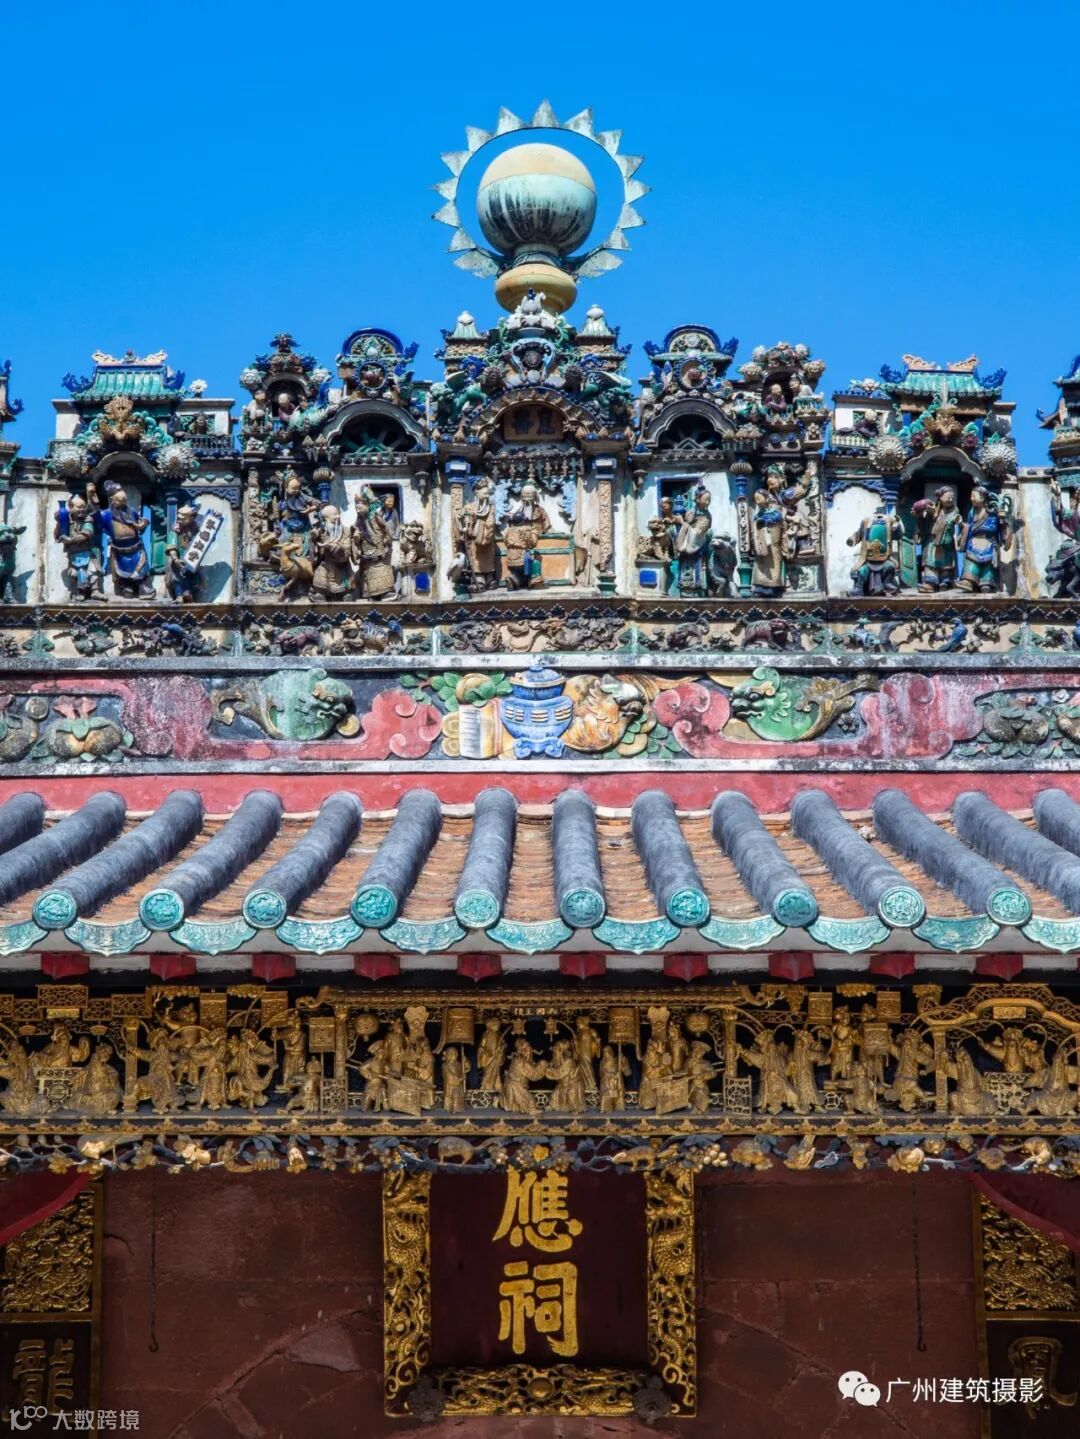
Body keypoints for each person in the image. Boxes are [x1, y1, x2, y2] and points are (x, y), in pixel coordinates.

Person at [98, 485, 153, 598]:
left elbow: (140, 526)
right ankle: (127, 586)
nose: (123, 503)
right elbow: (97, 522)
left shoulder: (132, 512)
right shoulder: (106, 515)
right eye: (119, 501)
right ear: (112, 500)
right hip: (119, 550)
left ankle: (142, 587)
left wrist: (143, 525)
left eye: (124, 500)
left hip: (135, 548)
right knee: (122, 569)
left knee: (140, 567)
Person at [957, 487, 1010, 594]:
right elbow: (969, 526)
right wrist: (962, 526)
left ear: (983, 497)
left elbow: (999, 527)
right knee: (971, 562)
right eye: (971, 496)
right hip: (973, 543)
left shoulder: (993, 512)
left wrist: (1003, 520)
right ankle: (969, 581)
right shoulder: (972, 512)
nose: (971, 498)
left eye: (974, 496)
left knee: (988, 565)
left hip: (989, 543)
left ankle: (986, 582)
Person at [913, 487, 960, 593]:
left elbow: (948, 523)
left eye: (952, 497)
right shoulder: (932, 508)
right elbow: (925, 526)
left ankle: (944, 582)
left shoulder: (954, 510)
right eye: (948, 497)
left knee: (945, 564)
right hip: (931, 541)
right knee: (930, 563)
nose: (950, 500)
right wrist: (919, 516)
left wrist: (935, 515)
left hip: (945, 542)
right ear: (940, 497)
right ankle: (930, 584)